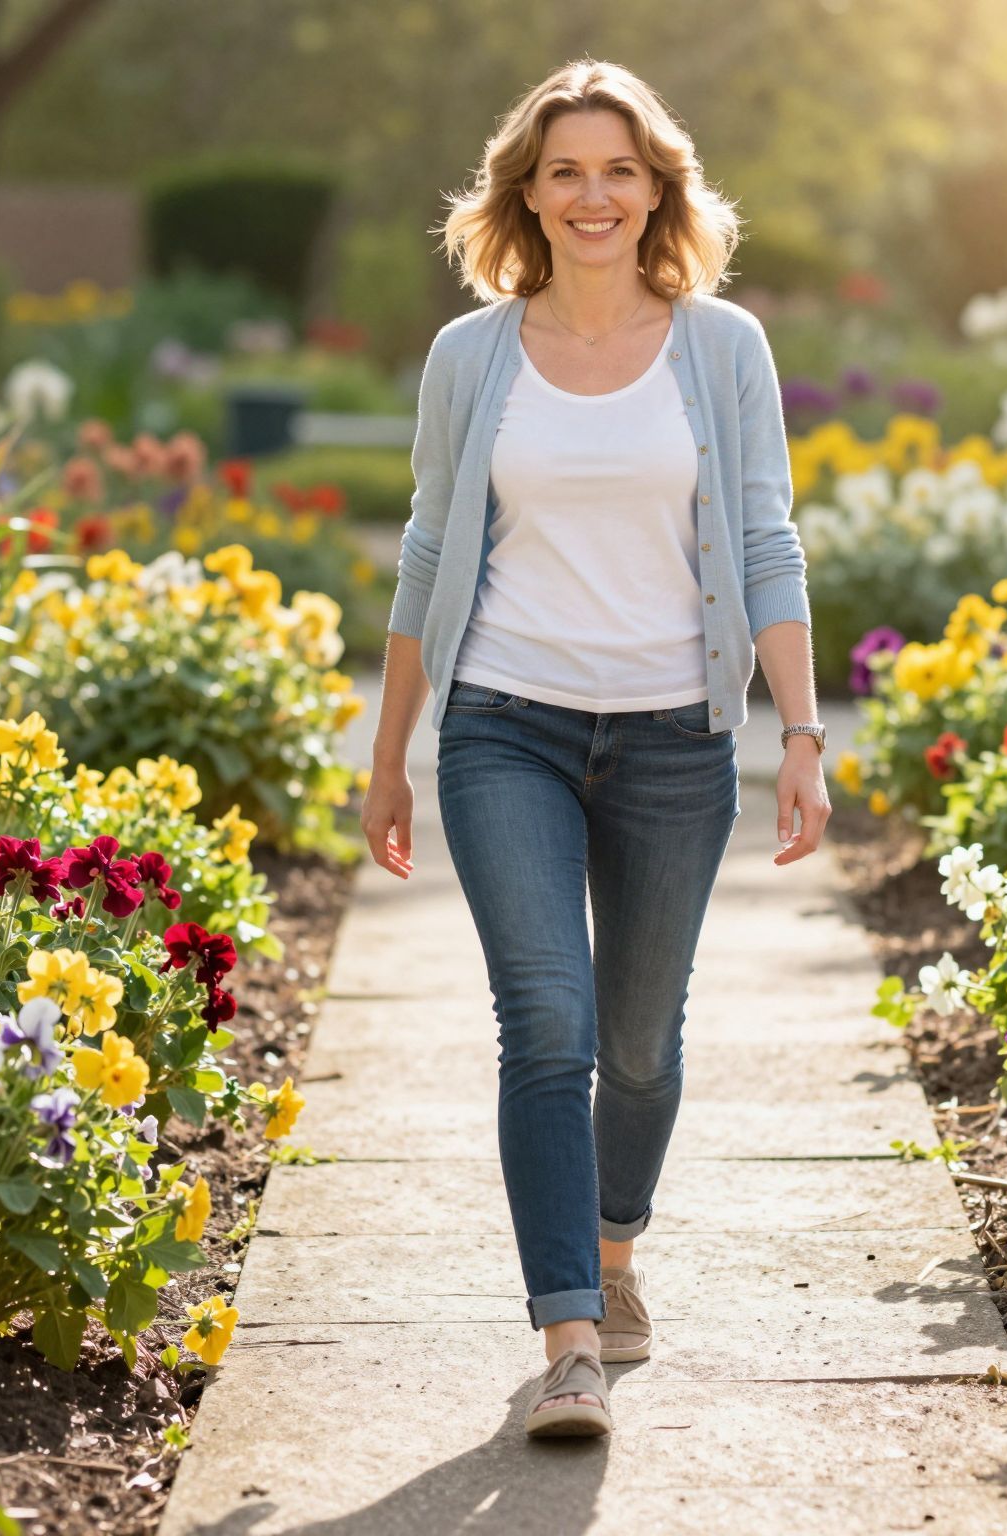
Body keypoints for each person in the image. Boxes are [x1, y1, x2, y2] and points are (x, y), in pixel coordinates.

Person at [359, 57, 832, 1439]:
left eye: (618, 169)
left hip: (678, 738)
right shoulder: (471, 357)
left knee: (637, 1041)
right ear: (526, 191)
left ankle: (615, 1245)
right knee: (547, 1025)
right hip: (505, 723)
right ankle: (568, 1333)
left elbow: (763, 538)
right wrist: (390, 753)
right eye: (564, 170)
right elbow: (431, 550)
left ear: (657, 188)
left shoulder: (723, 347)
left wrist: (799, 729)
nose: (592, 194)